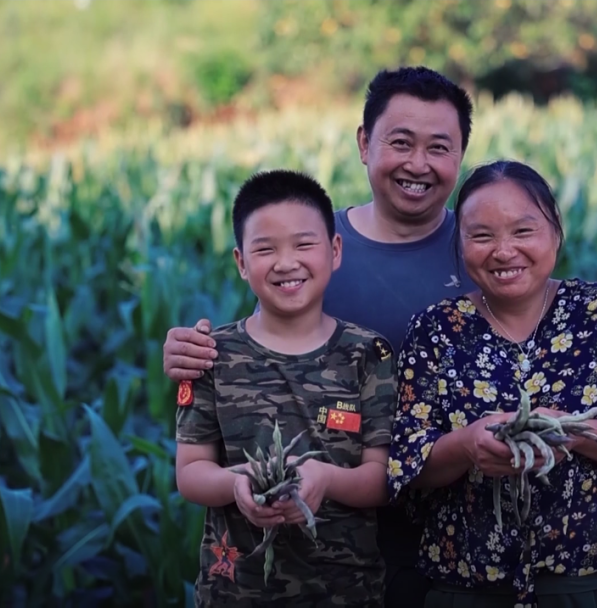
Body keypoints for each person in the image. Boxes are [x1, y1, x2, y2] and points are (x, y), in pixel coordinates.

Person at [164, 66, 476, 607]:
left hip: (460, 540)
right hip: (310, 558)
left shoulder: (486, 248)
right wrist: (188, 351)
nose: (418, 164)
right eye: (401, 142)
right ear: (364, 143)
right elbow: (259, 347)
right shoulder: (306, 239)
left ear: (462, 153)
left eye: (439, 147)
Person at [386, 160, 597, 608]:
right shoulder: (436, 330)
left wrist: (568, 432)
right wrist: (468, 445)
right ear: (460, 243)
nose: (504, 251)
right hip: (468, 585)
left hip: (588, 582)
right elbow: (408, 461)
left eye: (523, 231)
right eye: (482, 236)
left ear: (555, 231)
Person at [174, 169, 398, 607]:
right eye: (265, 249)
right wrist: (239, 485)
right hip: (236, 593)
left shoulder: (367, 354)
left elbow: (381, 478)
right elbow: (190, 472)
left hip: (346, 593)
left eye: (303, 244)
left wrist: (325, 479)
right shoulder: (210, 355)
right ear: (241, 262)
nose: (286, 262)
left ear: (335, 250)